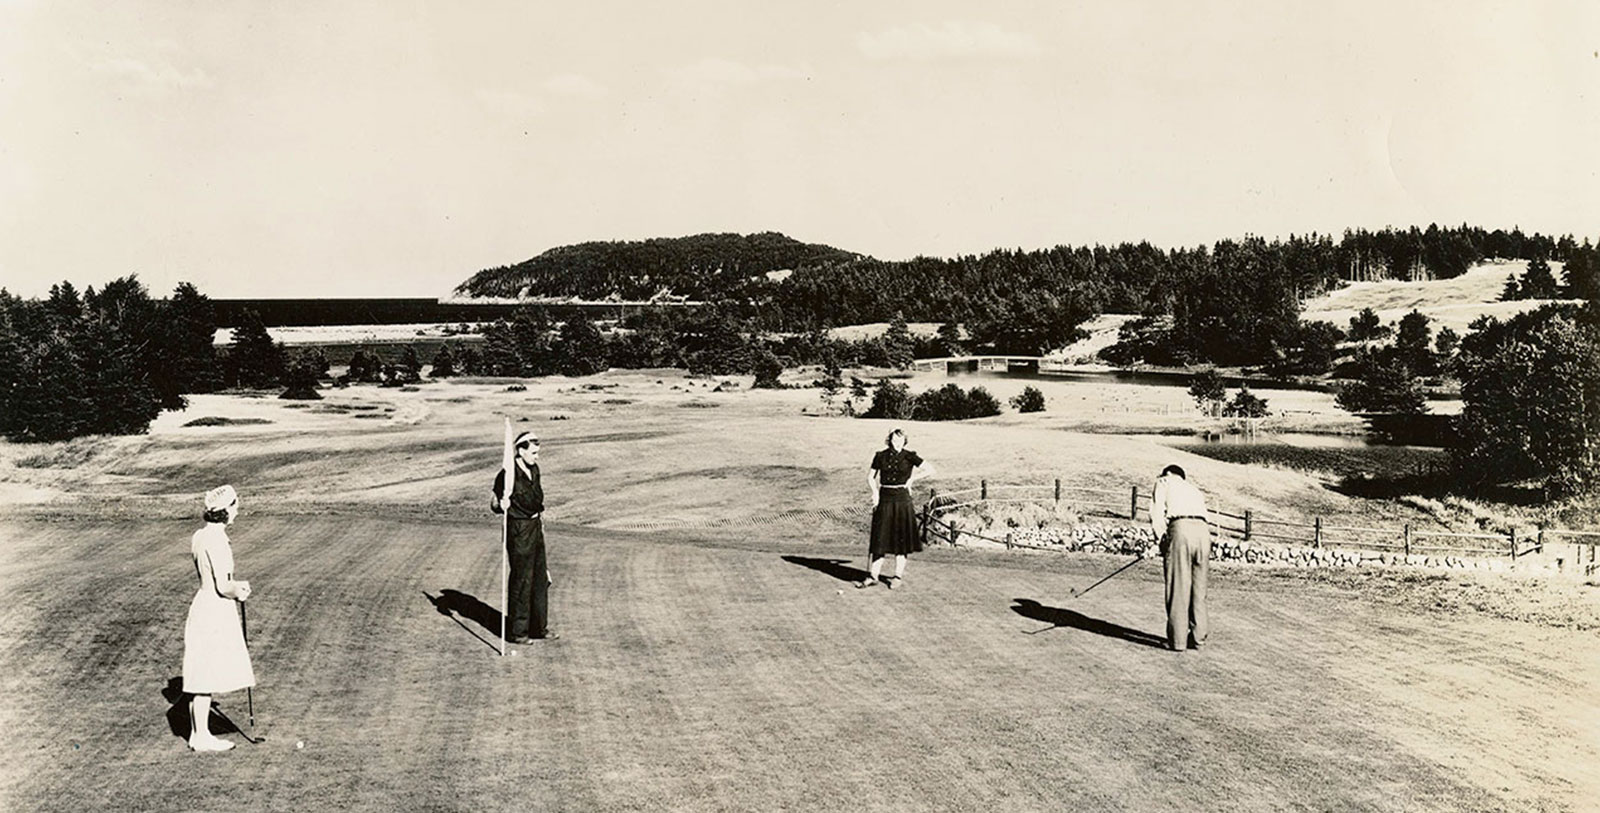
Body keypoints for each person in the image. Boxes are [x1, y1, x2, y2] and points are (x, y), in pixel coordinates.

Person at [182, 485, 255, 752]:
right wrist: (241, 590)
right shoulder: (218, 541)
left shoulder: (200, 536)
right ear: (226, 510)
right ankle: (201, 737)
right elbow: (223, 586)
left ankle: (197, 733)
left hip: (202, 604)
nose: (237, 511)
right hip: (215, 609)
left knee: (201, 672)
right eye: (235, 506)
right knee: (205, 675)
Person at [492, 431, 556, 643]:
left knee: (539, 578)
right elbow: (494, 503)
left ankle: (539, 628)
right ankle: (518, 631)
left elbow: (538, 500)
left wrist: (541, 525)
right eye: (534, 452)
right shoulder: (507, 474)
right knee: (522, 579)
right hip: (519, 529)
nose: (536, 457)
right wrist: (501, 505)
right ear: (521, 450)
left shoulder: (534, 470)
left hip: (536, 526)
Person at [859, 428, 934, 590]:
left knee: (901, 541)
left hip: (902, 499)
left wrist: (912, 479)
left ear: (904, 441)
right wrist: (875, 493)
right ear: (889, 440)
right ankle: (873, 576)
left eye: (900, 440)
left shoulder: (909, 456)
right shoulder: (880, 456)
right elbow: (870, 477)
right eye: (894, 440)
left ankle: (897, 576)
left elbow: (930, 470)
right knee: (880, 539)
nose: (897, 443)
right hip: (884, 498)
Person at [1149, 465, 1210, 652]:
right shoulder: (1194, 489)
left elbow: (1157, 512)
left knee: (1178, 587)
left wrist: (1160, 539)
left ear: (1168, 473)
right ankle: (1199, 638)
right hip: (1203, 533)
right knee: (1199, 589)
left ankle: (1178, 641)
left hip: (1181, 529)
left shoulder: (1164, 481)